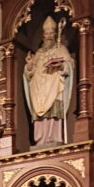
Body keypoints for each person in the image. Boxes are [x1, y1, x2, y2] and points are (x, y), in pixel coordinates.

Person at [23, 15, 74, 147]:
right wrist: (29, 66)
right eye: (47, 34)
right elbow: (29, 74)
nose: (49, 36)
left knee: (53, 110)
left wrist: (61, 65)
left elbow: (70, 66)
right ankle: (40, 139)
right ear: (43, 36)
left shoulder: (61, 49)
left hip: (54, 85)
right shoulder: (38, 53)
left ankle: (53, 137)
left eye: (51, 33)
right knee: (39, 112)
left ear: (55, 34)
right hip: (38, 88)